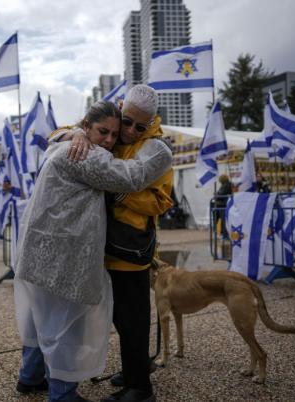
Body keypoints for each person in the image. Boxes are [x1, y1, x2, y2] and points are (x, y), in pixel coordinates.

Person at [14, 100, 172, 402]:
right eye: (103, 131)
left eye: (114, 134)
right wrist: (163, 151)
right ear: (86, 127)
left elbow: (57, 135)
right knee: (64, 326)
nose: (110, 140)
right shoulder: (84, 153)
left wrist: (73, 132)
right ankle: (62, 396)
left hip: (39, 254)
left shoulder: (61, 148)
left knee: (39, 318)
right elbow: (132, 176)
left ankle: (30, 378)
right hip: (62, 259)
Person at [65, 85, 173, 402]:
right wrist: (76, 134)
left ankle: (141, 388)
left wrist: (121, 194)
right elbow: (62, 131)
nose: (129, 131)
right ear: (121, 108)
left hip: (130, 251)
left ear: (151, 123)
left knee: (134, 318)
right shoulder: (108, 125)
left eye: (140, 126)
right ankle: (134, 370)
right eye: (127, 121)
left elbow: (162, 200)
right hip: (102, 244)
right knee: (119, 317)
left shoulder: (155, 147)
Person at [214, 174, 233, 239]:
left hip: (222, 205)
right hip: (220, 204)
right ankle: (222, 233)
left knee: (224, 221)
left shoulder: (226, 185)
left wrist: (216, 194)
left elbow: (220, 194)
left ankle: (225, 235)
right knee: (220, 220)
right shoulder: (224, 185)